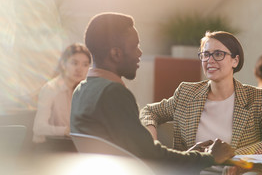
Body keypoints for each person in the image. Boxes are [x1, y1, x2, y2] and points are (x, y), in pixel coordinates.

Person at [70, 12, 234, 175]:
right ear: (115, 54)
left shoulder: (81, 90)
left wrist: (191, 155)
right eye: (135, 46)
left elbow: (141, 153)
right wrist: (208, 157)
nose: (139, 53)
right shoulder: (112, 93)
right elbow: (153, 158)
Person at [140, 31, 262, 158]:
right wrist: (151, 140)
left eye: (218, 54)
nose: (210, 60)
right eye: (205, 54)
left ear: (235, 60)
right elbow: (149, 111)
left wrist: (231, 155)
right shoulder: (186, 93)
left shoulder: (257, 99)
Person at [33, 43, 91, 152]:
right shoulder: (50, 89)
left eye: (85, 64)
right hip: (48, 148)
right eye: (74, 63)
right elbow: (38, 127)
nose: (80, 69)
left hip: (69, 147)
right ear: (64, 64)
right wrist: (66, 131)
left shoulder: (83, 90)